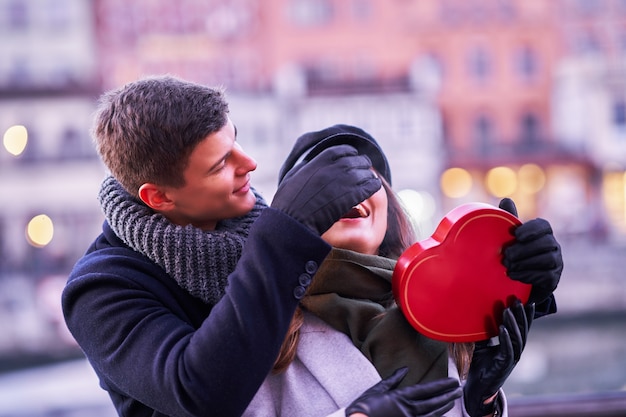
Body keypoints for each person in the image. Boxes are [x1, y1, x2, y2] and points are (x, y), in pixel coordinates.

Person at [61, 76, 383, 417]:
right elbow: (199, 392)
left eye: (236, 143)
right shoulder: (100, 289)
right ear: (160, 196)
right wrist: (286, 233)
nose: (249, 164)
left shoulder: (267, 233)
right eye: (220, 165)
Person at [242, 124, 563, 417]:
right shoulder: (267, 329)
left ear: (390, 210)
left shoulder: (442, 314)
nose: (350, 189)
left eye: (365, 175)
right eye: (323, 181)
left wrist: (482, 404)